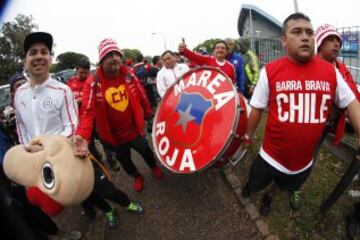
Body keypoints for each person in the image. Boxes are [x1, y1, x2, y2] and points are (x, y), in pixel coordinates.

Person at [241, 13, 360, 216]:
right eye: (297, 32)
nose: (305, 37)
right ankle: (250, 189)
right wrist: (248, 135)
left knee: (283, 187)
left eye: (309, 32)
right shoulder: (269, 71)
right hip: (270, 156)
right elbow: (258, 108)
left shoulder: (331, 72)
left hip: (303, 162)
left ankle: (270, 197)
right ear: (283, 40)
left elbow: (352, 102)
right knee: (255, 180)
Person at [73, 38, 163, 192]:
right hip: (112, 138)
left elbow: (141, 95)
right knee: (125, 162)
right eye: (109, 54)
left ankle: (154, 167)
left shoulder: (129, 75)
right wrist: (82, 135)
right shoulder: (93, 82)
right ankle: (137, 176)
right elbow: (87, 111)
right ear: (101, 60)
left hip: (134, 130)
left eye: (117, 54)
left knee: (146, 151)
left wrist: (149, 115)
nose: (115, 58)